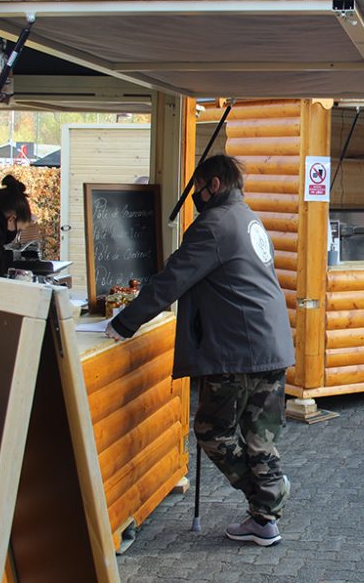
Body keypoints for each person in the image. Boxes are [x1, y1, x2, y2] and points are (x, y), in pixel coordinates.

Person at [105, 155, 294, 546]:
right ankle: (266, 517)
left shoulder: (213, 225)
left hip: (238, 349)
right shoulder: (247, 218)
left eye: (197, 187)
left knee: (213, 431)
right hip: (270, 342)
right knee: (260, 437)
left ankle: (267, 498)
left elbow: (170, 281)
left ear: (213, 185)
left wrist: (123, 322)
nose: (194, 195)